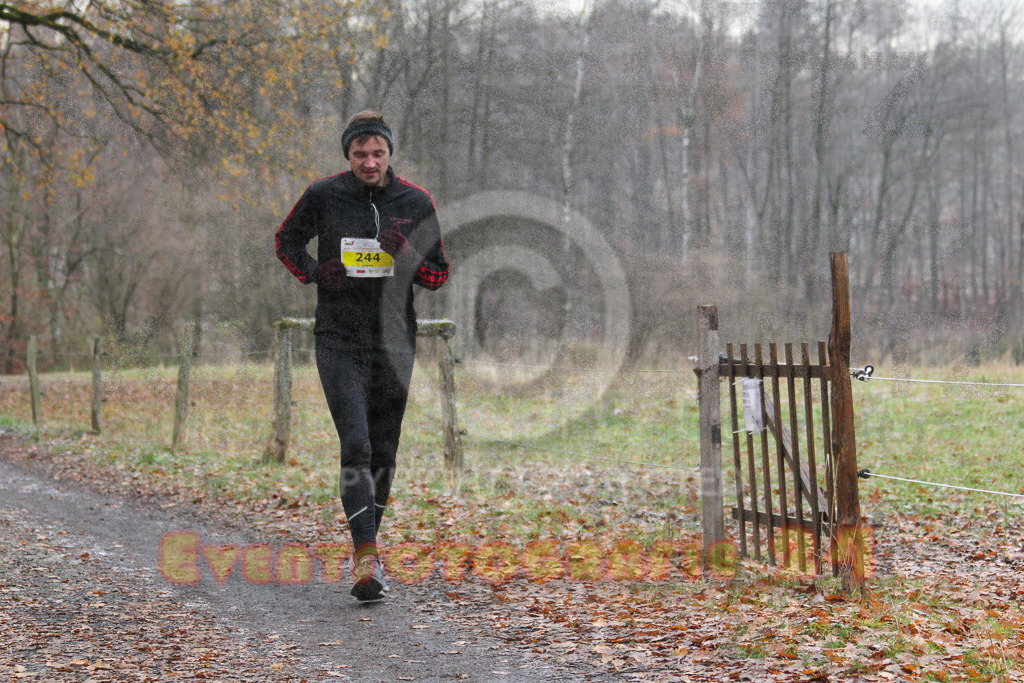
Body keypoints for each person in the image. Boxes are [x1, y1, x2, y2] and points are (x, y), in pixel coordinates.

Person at [275, 110, 449, 601]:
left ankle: (369, 547)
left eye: (377, 153)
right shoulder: (323, 195)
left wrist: (407, 254)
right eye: (359, 154)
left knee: (383, 451)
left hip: (394, 343)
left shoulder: (416, 202)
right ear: (347, 156)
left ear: (390, 153)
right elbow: (285, 241)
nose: (369, 162)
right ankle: (365, 560)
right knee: (356, 444)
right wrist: (314, 271)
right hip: (338, 339)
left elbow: (438, 275)